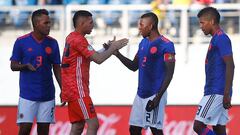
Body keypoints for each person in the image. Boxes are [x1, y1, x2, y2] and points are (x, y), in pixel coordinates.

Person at [60, 10, 128, 135]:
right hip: (78, 89)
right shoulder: (79, 40)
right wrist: (113, 47)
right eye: (90, 22)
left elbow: (89, 56)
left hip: (72, 89)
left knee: (78, 126)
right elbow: (98, 59)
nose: (93, 25)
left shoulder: (71, 37)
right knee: (93, 124)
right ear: (81, 23)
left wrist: (106, 48)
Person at [114, 12, 175, 135]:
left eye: (142, 25)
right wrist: (117, 54)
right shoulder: (143, 43)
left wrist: (158, 97)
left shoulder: (166, 44)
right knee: (134, 129)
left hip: (155, 94)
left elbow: (169, 74)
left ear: (151, 26)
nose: (139, 28)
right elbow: (133, 66)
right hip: (140, 94)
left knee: (155, 130)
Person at [10, 9, 61, 135]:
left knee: (43, 131)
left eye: (49, 22)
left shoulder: (53, 43)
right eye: (46, 23)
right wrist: (25, 66)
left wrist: (63, 89)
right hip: (28, 95)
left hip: (47, 95)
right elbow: (13, 66)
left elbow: (57, 68)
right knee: (24, 130)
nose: (49, 25)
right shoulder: (21, 42)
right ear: (36, 24)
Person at [193, 7, 235, 135]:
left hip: (216, 91)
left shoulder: (221, 38)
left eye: (202, 22)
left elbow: (230, 65)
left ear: (211, 21)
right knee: (219, 128)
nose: (201, 26)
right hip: (218, 91)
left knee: (198, 126)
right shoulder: (216, 38)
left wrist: (226, 93)